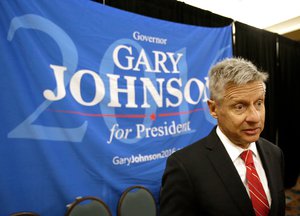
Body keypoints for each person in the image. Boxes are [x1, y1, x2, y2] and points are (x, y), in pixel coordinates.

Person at [159, 57, 286, 216]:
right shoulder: (184, 167)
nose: (255, 117)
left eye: (259, 103)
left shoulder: (274, 153)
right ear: (213, 109)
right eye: (240, 106)